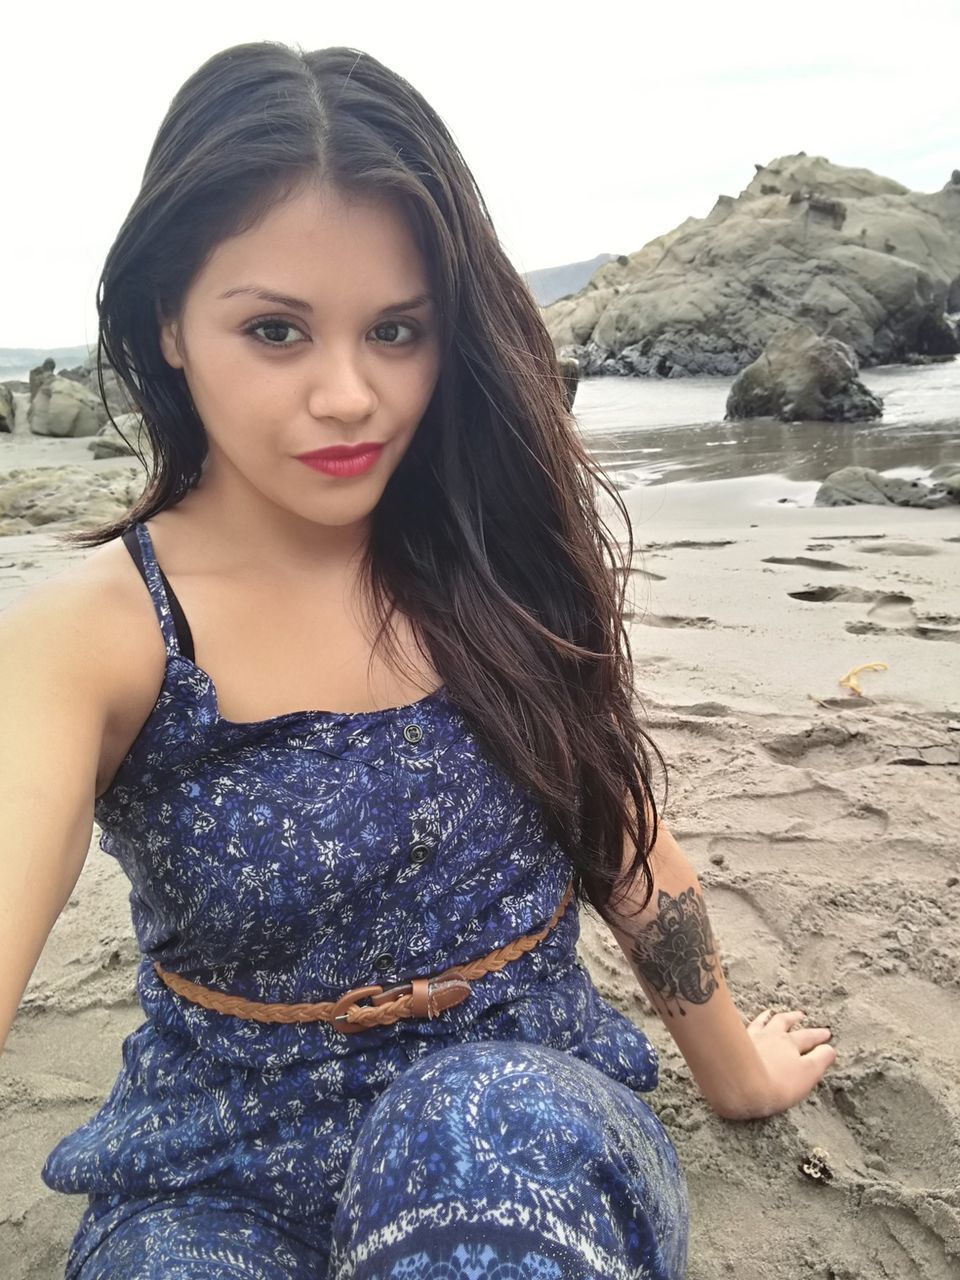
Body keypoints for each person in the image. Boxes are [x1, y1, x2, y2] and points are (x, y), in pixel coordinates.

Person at [0, 42, 836, 1280]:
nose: (351, 394)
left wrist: (737, 1071)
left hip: (520, 1109)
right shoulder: (92, 631)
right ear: (170, 321)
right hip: (215, 1161)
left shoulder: (497, 560)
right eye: (276, 329)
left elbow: (619, 828)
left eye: (397, 330)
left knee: (467, 1132)